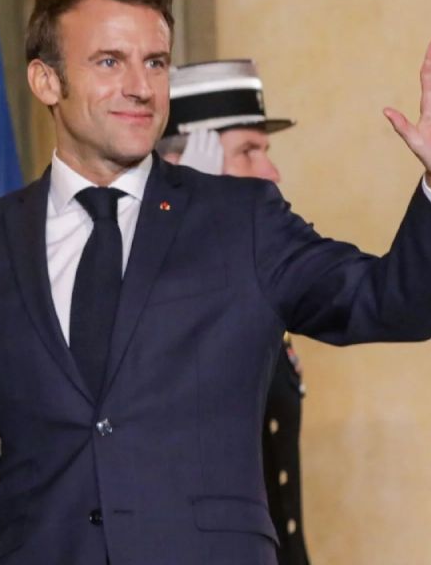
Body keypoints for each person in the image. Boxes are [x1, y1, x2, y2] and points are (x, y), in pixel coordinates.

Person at [0, 0, 431, 565]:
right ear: (46, 79)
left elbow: (390, 301)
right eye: (108, 62)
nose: (139, 87)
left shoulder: (240, 219)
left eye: (155, 62)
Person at [156, 59, 310, 564]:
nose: (271, 171)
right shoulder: (142, 288)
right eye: (248, 151)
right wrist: (182, 225)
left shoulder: (253, 280)